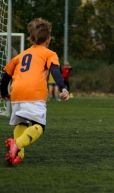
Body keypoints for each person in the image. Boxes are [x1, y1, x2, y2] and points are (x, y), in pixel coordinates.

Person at [0, 18, 69, 165]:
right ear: (48, 39)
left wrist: (3, 93)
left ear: (31, 38)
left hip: (16, 93)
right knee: (39, 126)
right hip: (34, 93)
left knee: (22, 123)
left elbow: (6, 76)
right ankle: (17, 145)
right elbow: (55, 71)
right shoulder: (49, 53)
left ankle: (17, 156)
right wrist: (63, 87)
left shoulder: (20, 55)